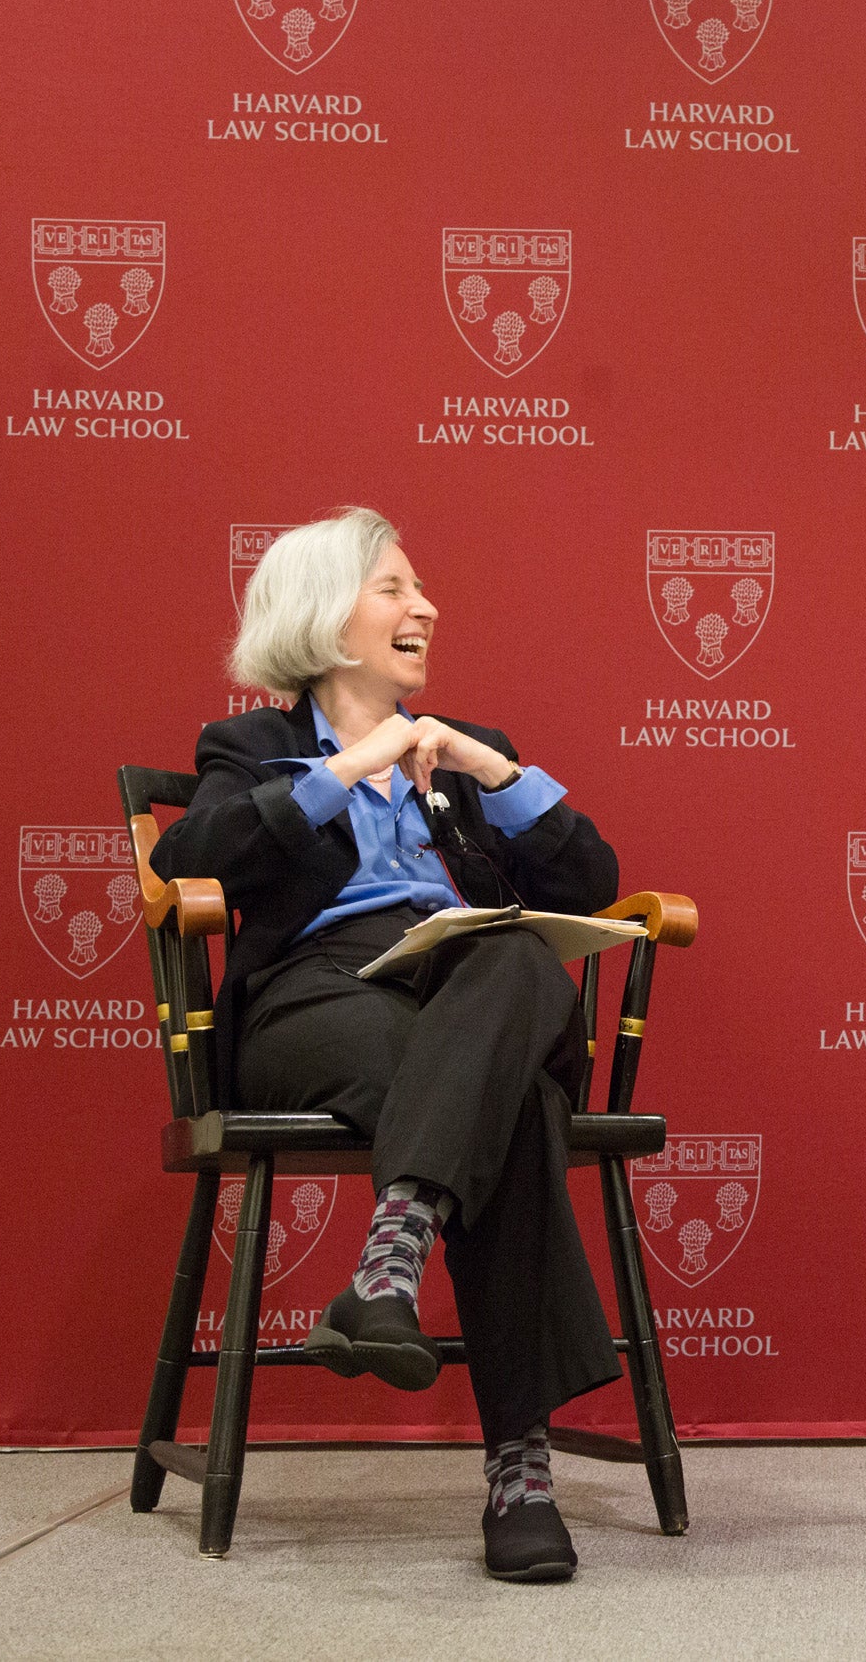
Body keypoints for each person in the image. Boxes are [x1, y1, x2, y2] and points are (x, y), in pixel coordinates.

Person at [152, 507, 622, 1582]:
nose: (427, 607)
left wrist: (478, 763)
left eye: (421, 589)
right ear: (327, 619)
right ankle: (521, 1471)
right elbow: (192, 855)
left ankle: (391, 1254)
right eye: (396, 589)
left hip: (466, 985)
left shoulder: (463, 755)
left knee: (517, 963)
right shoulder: (255, 747)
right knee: (515, 1102)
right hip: (316, 998)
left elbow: (589, 883)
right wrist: (345, 769)